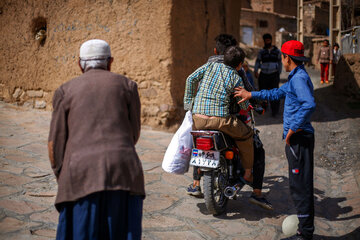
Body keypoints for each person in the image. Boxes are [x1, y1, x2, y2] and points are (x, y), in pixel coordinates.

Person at [48, 39, 145, 240]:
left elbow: (55, 144)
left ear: (79, 64)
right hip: (124, 173)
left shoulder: (65, 90)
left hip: (80, 174)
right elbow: (133, 133)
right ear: (110, 62)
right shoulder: (128, 86)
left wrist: (62, 175)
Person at [234, 40, 316, 240]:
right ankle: (304, 230)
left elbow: (309, 104)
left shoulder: (298, 79)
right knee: (300, 185)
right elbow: (276, 93)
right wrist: (251, 93)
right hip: (298, 138)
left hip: (299, 139)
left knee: (300, 187)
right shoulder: (296, 76)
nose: (282, 60)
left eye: (283, 57)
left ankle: (305, 234)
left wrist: (292, 129)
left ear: (287, 58)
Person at [254, 33, 282, 116]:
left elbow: (279, 62)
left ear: (271, 41)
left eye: (268, 40)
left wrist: (278, 72)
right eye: (266, 40)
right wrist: (256, 70)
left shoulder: (277, 51)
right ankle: (263, 108)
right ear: (264, 41)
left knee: (274, 93)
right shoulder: (261, 52)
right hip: (264, 74)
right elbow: (258, 61)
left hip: (274, 74)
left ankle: (275, 111)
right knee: (263, 92)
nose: (267, 42)